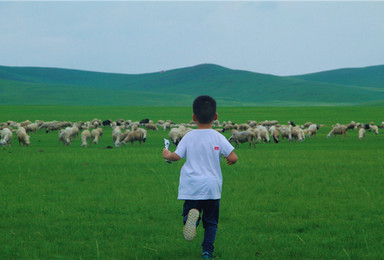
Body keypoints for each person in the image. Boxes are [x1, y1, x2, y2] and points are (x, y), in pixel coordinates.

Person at [162, 95, 238, 259]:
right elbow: (233, 157)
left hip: (191, 185)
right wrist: (229, 160)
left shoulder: (189, 136)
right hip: (211, 187)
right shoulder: (218, 136)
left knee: (189, 212)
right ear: (216, 117)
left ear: (194, 118)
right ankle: (207, 252)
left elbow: (176, 157)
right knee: (211, 222)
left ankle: (191, 219)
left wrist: (166, 154)